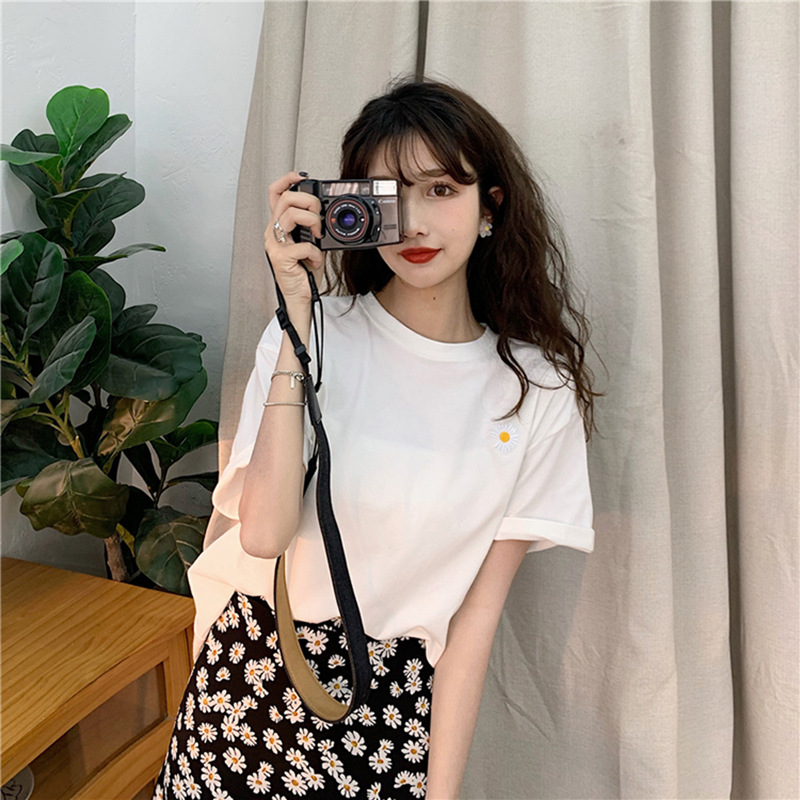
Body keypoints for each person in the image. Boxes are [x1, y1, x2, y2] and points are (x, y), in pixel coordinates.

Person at [152, 76, 600, 800]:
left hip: (393, 712)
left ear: (490, 206)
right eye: (391, 196)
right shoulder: (315, 333)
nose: (415, 224)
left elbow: (473, 624)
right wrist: (297, 321)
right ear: (354, 209)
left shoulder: (536, 390)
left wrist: (440, 794)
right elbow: (263, 534)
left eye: (442, 190)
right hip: (250, 684)